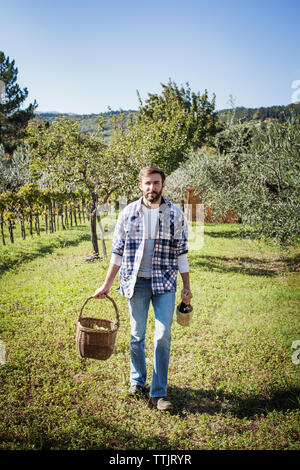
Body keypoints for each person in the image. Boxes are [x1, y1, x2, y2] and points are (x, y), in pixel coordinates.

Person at [93, 166, 192, 411]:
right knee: (136, 336)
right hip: (135, 283)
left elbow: (182, 254)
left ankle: (159, 393)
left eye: (156, 183)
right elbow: (117, 252)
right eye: (147, 183)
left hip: (165, 283)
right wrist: (106, 285)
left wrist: (187, 287)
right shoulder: (128, 213)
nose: (152, 188)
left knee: (162, 336)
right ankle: (137, 381)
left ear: (163, 185)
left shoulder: (175, 214)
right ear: (140, 185)